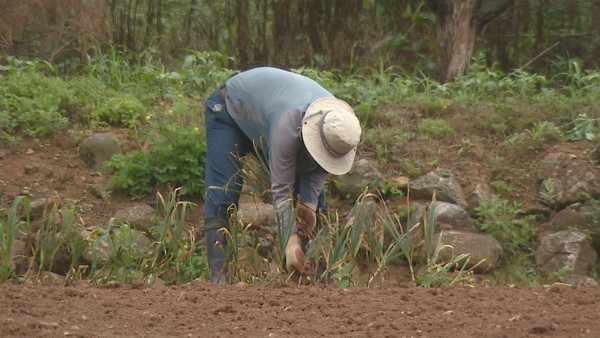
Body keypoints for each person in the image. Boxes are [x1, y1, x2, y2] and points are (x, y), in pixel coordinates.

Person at [203, 67, 361, 284]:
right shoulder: (287, 125)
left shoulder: (342, 127)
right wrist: (290, 242)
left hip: (271, 114)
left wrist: (309, 206)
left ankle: (317, 277)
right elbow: (281, 189)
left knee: (313, 206)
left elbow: (317, 169)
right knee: (224, 191)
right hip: (230, 111)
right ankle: (218, 277)